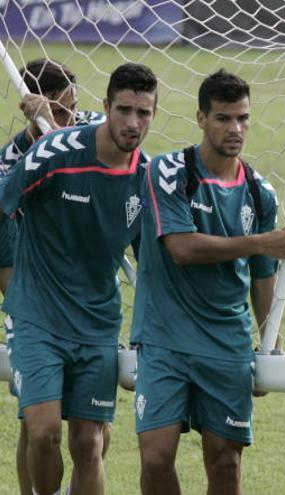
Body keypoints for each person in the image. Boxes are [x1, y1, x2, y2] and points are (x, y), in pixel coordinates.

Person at [131, 69, 285, 494]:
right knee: (155, 456)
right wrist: (260, 241)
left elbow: (263, 277)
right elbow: (183, 249)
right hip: (164, 339)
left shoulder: (260, 193)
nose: (235, 128)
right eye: (224, 118)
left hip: (226, 344)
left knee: (225, 463)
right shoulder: (169, 172)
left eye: (242, 118)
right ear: (201, 117)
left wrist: (268, 342)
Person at [0, 62, 156, 495]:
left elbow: (153, 268)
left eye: (143, 113)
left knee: (89, 443)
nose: (133, 122)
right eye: (123, 110)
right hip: (38, 318)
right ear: (107, 107)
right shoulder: (52, 152)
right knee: (42, 431)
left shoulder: (147, 177)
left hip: (97, 323)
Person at [0, 57, 109, 495]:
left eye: (73, 108)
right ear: (30, 105)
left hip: (93, 305)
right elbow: (5, 267)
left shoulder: (94, 127)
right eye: (57, 112)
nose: (70, 120)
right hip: (35, 305)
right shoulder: (10, 164)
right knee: (38, 427)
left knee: (95, 436)